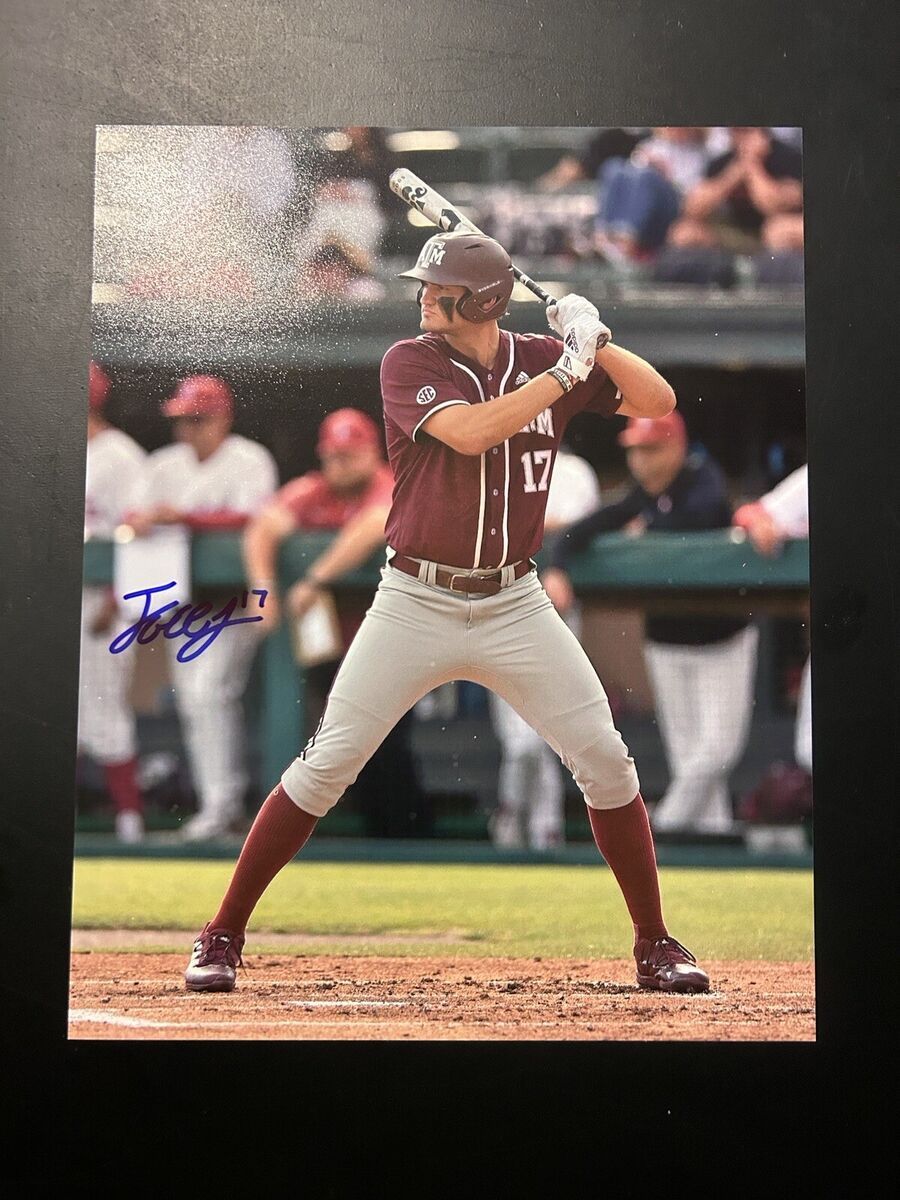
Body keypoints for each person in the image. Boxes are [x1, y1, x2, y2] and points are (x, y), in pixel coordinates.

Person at [184, 229, 711, 996]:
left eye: (441, 290)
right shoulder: (412, 361)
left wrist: (593, 336)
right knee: (329, 762)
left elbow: (655, 400)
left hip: (515, 600)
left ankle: (655, 942)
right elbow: (469, 433)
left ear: (486, 300)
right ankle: (222, 933)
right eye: (425, 286)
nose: (425, 298)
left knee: (604, 757)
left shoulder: (541, 357)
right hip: (416, 597)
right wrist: (567, 370)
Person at [543, 411, 758, 837]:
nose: (641, 461)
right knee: (688, 758)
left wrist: (649, 530)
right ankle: (706, 845)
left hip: (722, 637)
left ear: (676, 446)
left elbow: (698, 517)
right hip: (667, 640)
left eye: (651, 449)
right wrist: (557, 567)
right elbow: (581, 531)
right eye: (635, 450)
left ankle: (656, 829)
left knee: (716, 751)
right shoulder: (641, 495)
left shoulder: (703, 478)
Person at [243, 407, 431, 837]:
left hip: (393, 641)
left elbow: (374, 524)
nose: (340, 464)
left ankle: (409, 836)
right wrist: (263, 589)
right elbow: (263, 528)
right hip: (334, 644)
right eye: (334, 456)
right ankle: (376, 836)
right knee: (347, 749)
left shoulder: (389, 481)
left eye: (351, 454)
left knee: (389, 744)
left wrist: (314, 578)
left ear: (371, 452)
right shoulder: (313, 489)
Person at [126, 375, 278, 840]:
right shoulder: (163, 464)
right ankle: (220, 806)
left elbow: (256, 516)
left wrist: (184, 517)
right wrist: (146, 519)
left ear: (223, 418)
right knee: (197, 701)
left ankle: (224, 805)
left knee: (211, 693)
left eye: (198, 418)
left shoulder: (249, 458)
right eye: (182, 419)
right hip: (183, 604)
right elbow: (132, 518)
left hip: (235, 602)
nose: (188, 428)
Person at [488, 443, 601, 850]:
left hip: (552, 612)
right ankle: (526, 819)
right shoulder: (486, 456)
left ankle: (531, 824)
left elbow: (568, 524)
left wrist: (549, 559)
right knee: (521, 744)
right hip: (495, 611)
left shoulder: (570, 468)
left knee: (546, 737)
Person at [79, 361, 148, 843]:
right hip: (48, 596)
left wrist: (114, 595)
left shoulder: (122, 455)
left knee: (103, 707)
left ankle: (129, 821)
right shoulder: (38, 442)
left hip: (99, 602)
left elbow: (135, 534)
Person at [733, 464, 811, 773]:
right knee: (812, 752)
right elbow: (751, 513)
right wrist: (761, 523)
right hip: (847, 643)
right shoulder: (834, 467)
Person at [667, 126, 803, 254]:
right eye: (735, 131)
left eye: (746, 131)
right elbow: (693, 209)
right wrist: (734, 174)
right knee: (684, 232)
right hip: (737, 233)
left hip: (772, 233)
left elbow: (772, 205)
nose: (740, 136)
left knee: (777, 231)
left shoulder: (786, 157)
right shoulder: (723, 162)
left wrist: (753, 166)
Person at [593, 128, 711, 262]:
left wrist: (664, 176)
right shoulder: (652, 145)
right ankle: (602, 236)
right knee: (613, 166)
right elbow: (630, 176)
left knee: (647, 176)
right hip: (645, 206)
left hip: (672, 209)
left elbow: (693, 197)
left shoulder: (699, 153)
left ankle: (625, 242)